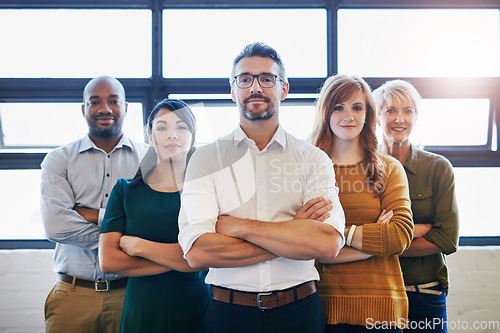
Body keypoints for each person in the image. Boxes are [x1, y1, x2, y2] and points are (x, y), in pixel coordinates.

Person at [177, 42, 346, 333]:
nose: (255, 87)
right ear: (233, 90)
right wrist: (294, 230)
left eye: (267, 79)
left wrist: (237, 226)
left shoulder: (313, 159)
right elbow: (198, 252)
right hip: (229, 315)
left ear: (283, 89)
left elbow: (327, 243)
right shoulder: (206, 159)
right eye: (245, 79)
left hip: (299, 312)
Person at [41, 75, 148, 333]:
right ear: (83, 109)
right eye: (95, 101)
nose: (105, 109)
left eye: (114, 101)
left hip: (131, 295)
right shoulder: (59, 160)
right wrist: (121, 232)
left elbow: (152, 224)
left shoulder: (149, 160)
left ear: (125, 107)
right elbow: (56, 227)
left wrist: (85, 213)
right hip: (73, 295)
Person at [311, 74, 414, 332]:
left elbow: (399, 236)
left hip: (382, 310)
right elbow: (308, 250)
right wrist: (371, 246)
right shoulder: (308, 170)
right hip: (322, 307)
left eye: (357, 107)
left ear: (368, 113)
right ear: (325, 113)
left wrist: (336, 234)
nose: (349, 116)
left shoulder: (389, 168)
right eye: (339, 107)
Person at [99, 99, 210, 333]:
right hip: (143, 307)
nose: (172, 135)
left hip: (196, 306)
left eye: (181, 127)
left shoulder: (207, 191)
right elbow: (109, 261)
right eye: (162, 128)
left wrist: (140, 246)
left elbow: (206, 256)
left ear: (193, 137)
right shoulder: (125, 191)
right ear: (150, 137)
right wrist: (183, 260)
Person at [373, 80, 459, 333]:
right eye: (390, 111)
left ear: (416, 117)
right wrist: (419, 229)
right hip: (377, 295)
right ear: (376, 117)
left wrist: (382, 245)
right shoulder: (360, 168)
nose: (399, 119)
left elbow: (446, 238)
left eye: (407, 111)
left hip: (425, 295)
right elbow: (353, 231)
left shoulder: (438, 168)